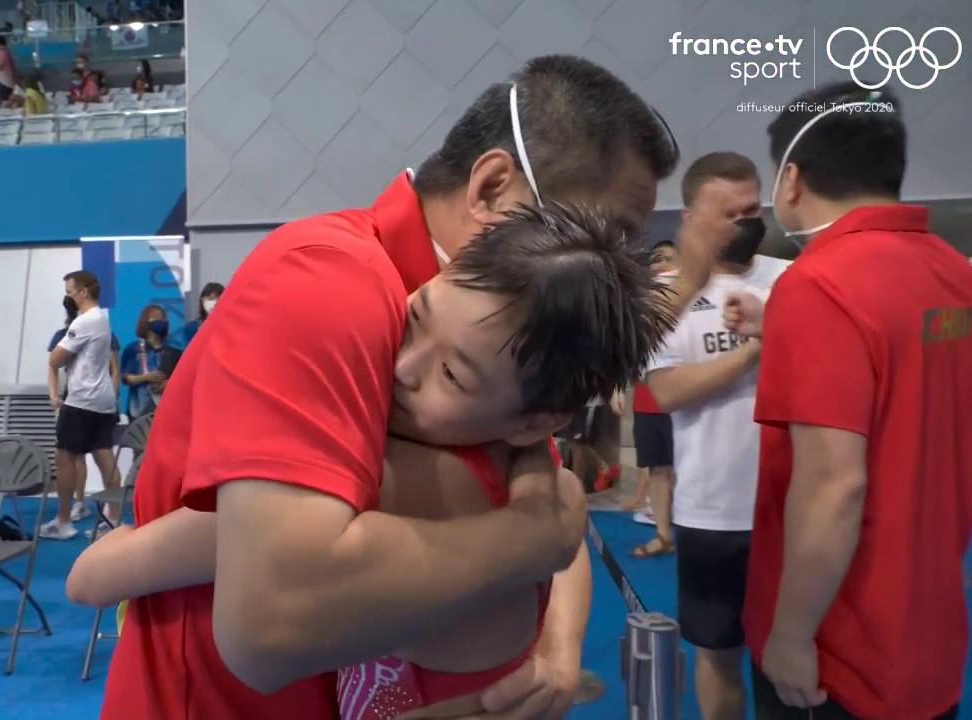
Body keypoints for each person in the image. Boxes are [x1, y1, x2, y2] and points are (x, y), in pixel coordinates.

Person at [99, 54, 732, 719]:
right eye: (603, 236)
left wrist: (554, 647)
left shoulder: (489, 334)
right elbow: (268, 624)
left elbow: (540, 485)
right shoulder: (329, 285)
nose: (611, 280)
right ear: (491, 188)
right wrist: (528, 540)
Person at [71, 204, 673, 717]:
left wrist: (104, 560)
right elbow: (559, 516)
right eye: (413, 318)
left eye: (450, 374)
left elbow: (100, 576)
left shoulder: (404, 479)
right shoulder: (513, 456)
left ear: (538, 421)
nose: (401, 367)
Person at [725, 82, 972, 720]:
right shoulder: (959, 277)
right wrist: (784, 328)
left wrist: (789, 636)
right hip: (927, 635)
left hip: (841, 648)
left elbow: (833, 487)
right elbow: (903, 372)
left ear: (791, 179)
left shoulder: (818, 284)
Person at [645, 151, 787, 720]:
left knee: (787, 658)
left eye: (753, 208)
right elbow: (670, 391)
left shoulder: (792, 280)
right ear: (693, 215)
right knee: (718, 654)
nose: (746, 221)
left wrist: (775, 326)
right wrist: (757, 350)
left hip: (790, 509)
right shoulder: (665, 295)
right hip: (711, 513)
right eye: (730, 212)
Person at [43, 271, 121, 541]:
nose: (68, 296)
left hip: (81, 400)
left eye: (69, 291)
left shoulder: (85, 322)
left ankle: (63, 521)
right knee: (104, 456)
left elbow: (56, 359)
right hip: (103, 400)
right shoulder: (103, 319)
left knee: (64, 456)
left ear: (83, 292)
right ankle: (113, 517)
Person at [627, 240, 679, 557]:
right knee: (658, 469)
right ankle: (663, 534)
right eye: (656, 259)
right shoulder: (640, 305)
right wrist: (619, 388)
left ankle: (692, 533)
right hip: (648, 400)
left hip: (683, 400)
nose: (661, 264)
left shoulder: (695, 299)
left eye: (668, 258)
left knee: (684, 470)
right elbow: (628, 351)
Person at [119, 305, 180, 421]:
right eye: (156, 318)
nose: (161, 322)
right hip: (139, 409)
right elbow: (125, 378)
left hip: (166, 410)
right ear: (145, 322)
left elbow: (182, 380)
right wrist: (145, 377)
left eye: (163, 319)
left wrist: (168, 384)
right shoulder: (133, 349)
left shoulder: (173, 351)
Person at [175, 281, 222, 349]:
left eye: (219, 299)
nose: (215, 302)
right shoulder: (191, 328)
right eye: (211, 298)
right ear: (202, 300)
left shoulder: (230, 326)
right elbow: (188, 354)